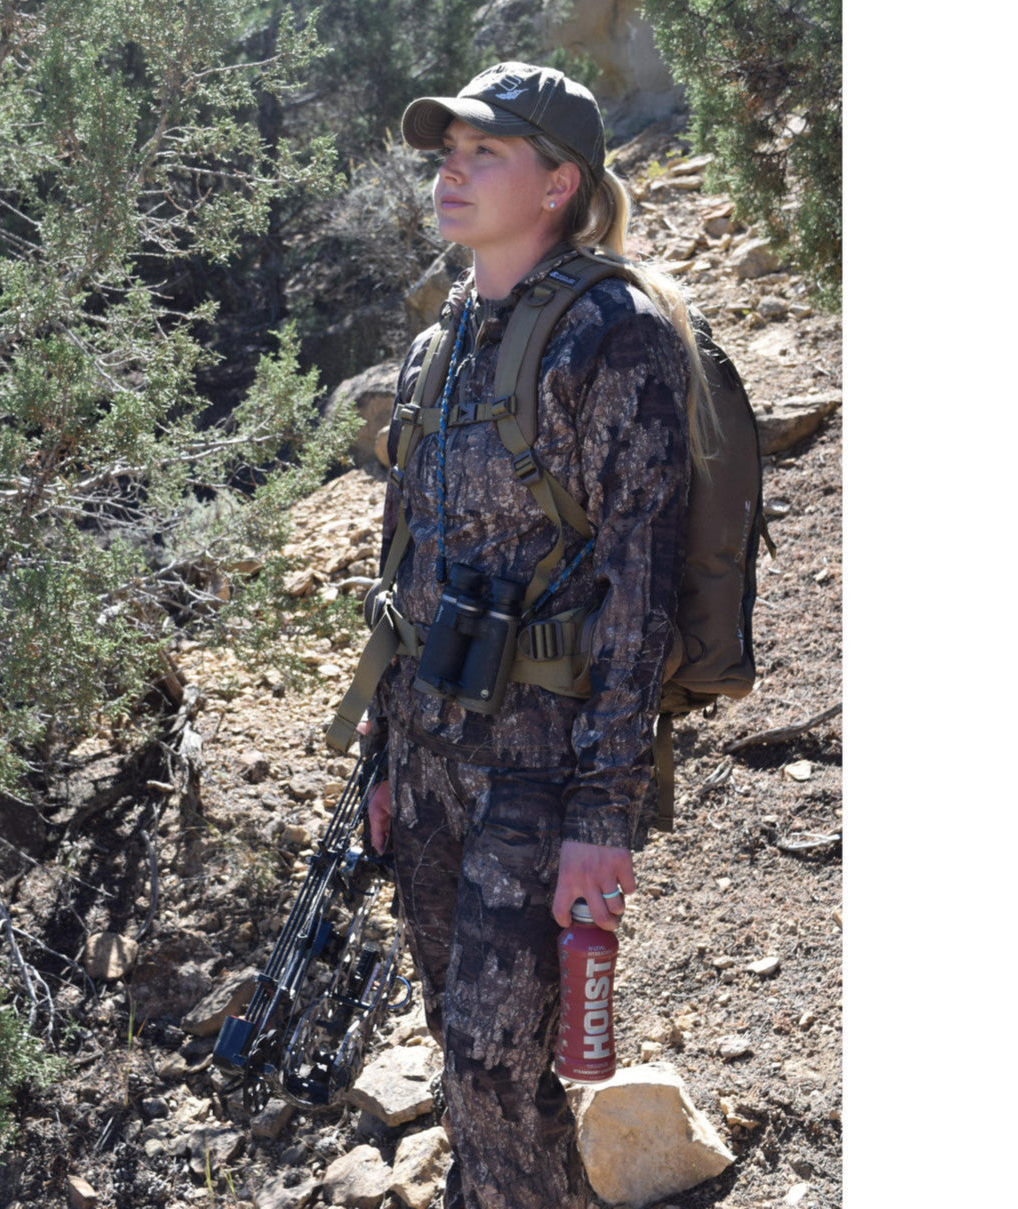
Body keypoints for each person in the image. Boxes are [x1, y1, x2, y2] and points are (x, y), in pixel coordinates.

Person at [357, 62, 719, 1209]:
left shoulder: (615, 336)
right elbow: (405, 558)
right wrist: (381, 755)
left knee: (495, 1069)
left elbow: (639, 587)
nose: (451, 172)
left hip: (540, 770)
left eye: (487, 152)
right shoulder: (441, 342)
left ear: (559, 184)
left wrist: (602, 816)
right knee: (466, 1064)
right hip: (426, 757)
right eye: (447, 152)